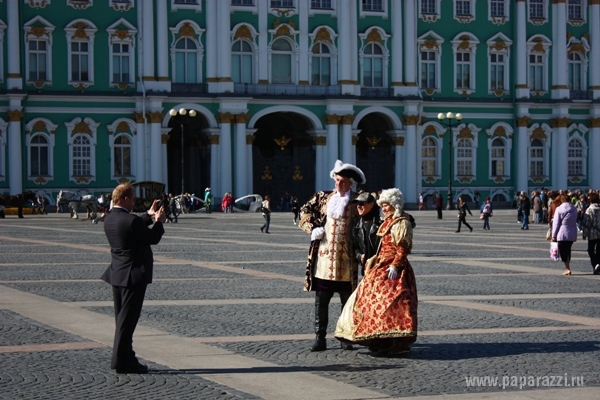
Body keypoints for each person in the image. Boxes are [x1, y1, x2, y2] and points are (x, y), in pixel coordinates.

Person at [335, 188, 417, 356]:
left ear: (395, 205)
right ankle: (377, 338)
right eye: (383, 205)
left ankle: (396, 342)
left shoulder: (401, 222)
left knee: (395, 304)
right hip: (379, 266)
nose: (384, 208)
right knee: (370, 301)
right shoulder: (386, 221)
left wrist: (395, 265)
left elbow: (402, 247)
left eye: (387, 205)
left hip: (395, 269)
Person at [299, 159, 365, 352]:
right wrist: (312, 228)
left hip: (347, 261)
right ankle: (320, 337)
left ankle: (346, 337)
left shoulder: (357, 201)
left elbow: (370, 219)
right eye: (337, 180)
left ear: (350, 183)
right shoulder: (323, 198)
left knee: (347, 302)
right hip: (324, 260)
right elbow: (303, 211)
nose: (339, 184)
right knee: (321, 301)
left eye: (343, 181)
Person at [100, 183, 166, 374]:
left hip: (117, 273)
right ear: (125, 199)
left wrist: (148, 214)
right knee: (127, 322)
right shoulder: (130, 220)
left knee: (122, 319)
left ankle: (128, 357)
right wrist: (159, 221)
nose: (134, 201)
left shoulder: (110, 218)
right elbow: (152, 237)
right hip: (133, 275)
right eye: (133, 198)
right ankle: (121, 361)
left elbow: (133, 229)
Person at [351, 192, 382, 276]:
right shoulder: (357, 223)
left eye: (361, 204)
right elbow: (354, 246)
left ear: (371, 205)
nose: (358, 206)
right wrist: (359, 256)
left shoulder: (381, 221)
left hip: (381, 266)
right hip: (366, 267)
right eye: (357, 204)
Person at [551, 194, 578, 276]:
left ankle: (567, 268)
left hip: (562, 232)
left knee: (563, 251)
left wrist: (553, 235)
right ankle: (568, 266)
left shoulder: (559, 209)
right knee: (568, 250)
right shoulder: (574, 209)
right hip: (572, 232)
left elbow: (556, 223)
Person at [582, 192, 600, 274]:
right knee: (599, 251)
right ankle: (598, 266)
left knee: (590, 250)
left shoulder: (589, 210)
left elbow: (586, 223)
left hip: (592, 234)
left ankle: (596, 264)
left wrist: (584, 234)